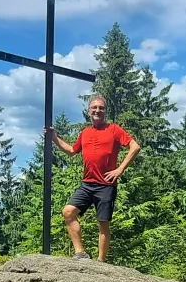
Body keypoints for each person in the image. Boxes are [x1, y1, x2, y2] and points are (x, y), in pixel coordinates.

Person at [44, 95, 140, 262]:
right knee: (68, 212)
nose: (97, 111)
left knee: (103, 222)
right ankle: (80, 253)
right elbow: (72, 151)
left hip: (106, 185)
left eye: (101, 108)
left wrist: (119, 169)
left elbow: (135, 146)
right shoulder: (85, 133)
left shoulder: (114, 129)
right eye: (94, 108)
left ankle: (101, 261)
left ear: (105, 111)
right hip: (87, 184)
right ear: (89, 111)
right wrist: (54, 138)